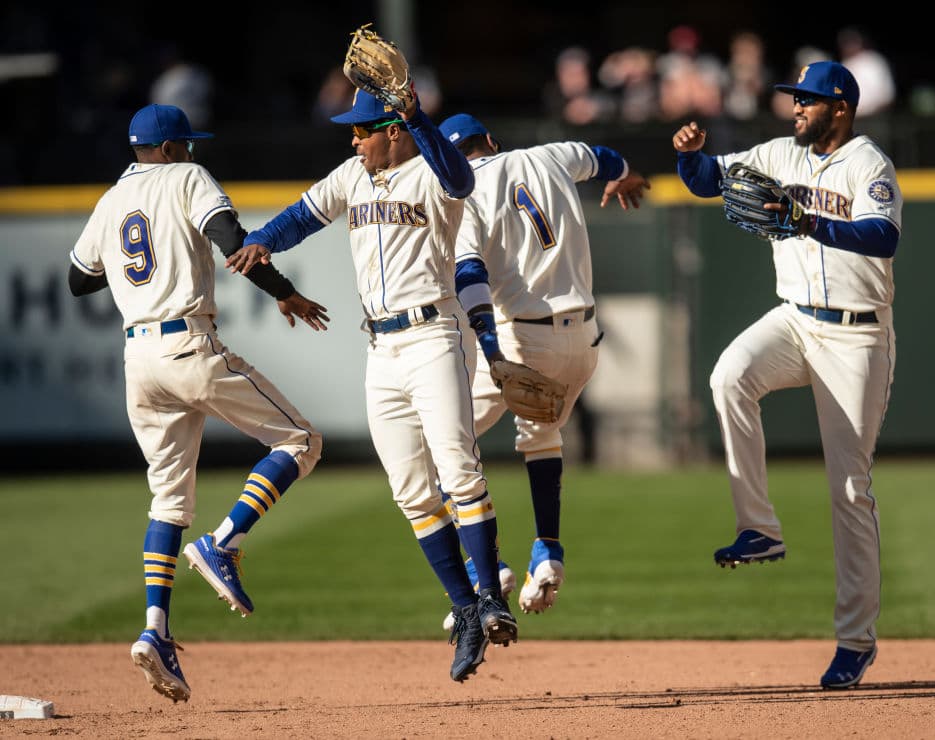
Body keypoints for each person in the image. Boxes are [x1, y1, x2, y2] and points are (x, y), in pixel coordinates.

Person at [226, 89, 518, 683]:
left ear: (393, 129)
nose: (352, 140)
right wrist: (263, 241)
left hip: (434, 334)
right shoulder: (353, 175)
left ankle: (491, 597)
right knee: (411, 491)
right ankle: (465, 609)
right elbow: (303, 215)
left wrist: (419, 117)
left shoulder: (431, 171)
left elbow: (461, 181)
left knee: (458, 470)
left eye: (362, 130)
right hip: (380, 348)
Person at [67, 104, 327, 703]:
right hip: (188, 345)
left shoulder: (110, 202)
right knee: (300, 440)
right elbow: (230, 240)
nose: (189, 150)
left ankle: (155, 629)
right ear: (165, 149)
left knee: (167, 497)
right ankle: (224, 542)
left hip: (137, 361)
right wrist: (285, 293)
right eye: (183, 144)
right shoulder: (188, 178)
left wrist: (139, 264)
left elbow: (79, 280)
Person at [671, 60, 902, 689]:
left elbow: (883, 236)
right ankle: (759, 529)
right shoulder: (779, 152)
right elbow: (708, 182)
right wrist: (690, 156)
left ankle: (856, 641)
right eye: (793, 98)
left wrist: (806, 221)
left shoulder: (868, 164)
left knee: (849, 489)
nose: (795, 107)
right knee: (728, 376)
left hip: (857, 336)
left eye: (806, 99)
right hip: (796, 320)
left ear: (840, 107)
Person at [435, 112, 650, 623]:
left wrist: (490, 347)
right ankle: (548, 552)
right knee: (541, 435)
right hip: (585, 339)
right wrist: (625, 175)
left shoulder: (462, 196)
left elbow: (470, 274)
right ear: (490, 139)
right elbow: (604, 158)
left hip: (524, 338)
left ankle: (485, 570)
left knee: (437, 445)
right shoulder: (547, 155)